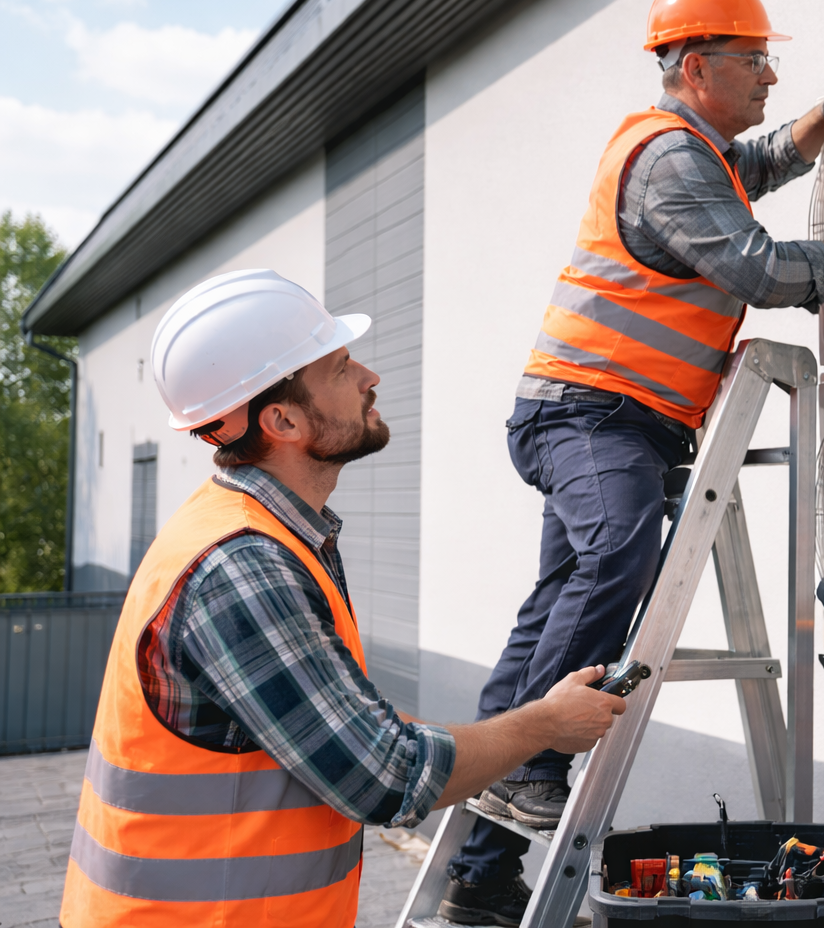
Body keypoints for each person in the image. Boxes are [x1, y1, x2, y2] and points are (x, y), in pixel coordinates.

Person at [442, 0, 824, 924]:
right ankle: (535, 764)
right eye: (754, 59)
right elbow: (757, 269)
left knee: (547, 623)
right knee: (617, 554)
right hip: (591, 414)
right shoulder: (671, 158)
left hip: (608, 418)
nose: (769, 76)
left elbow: (762, 163)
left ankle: (482, 872)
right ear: (696, 67)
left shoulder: (704, 153)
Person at [60, 270, 626, 928]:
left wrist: (487, 739)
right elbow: (385, 778)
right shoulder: (244, 567)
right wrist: (545, 726)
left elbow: (348, 730)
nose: (369, 376)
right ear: (283, 420)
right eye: (339, 367)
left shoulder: (262, 533)